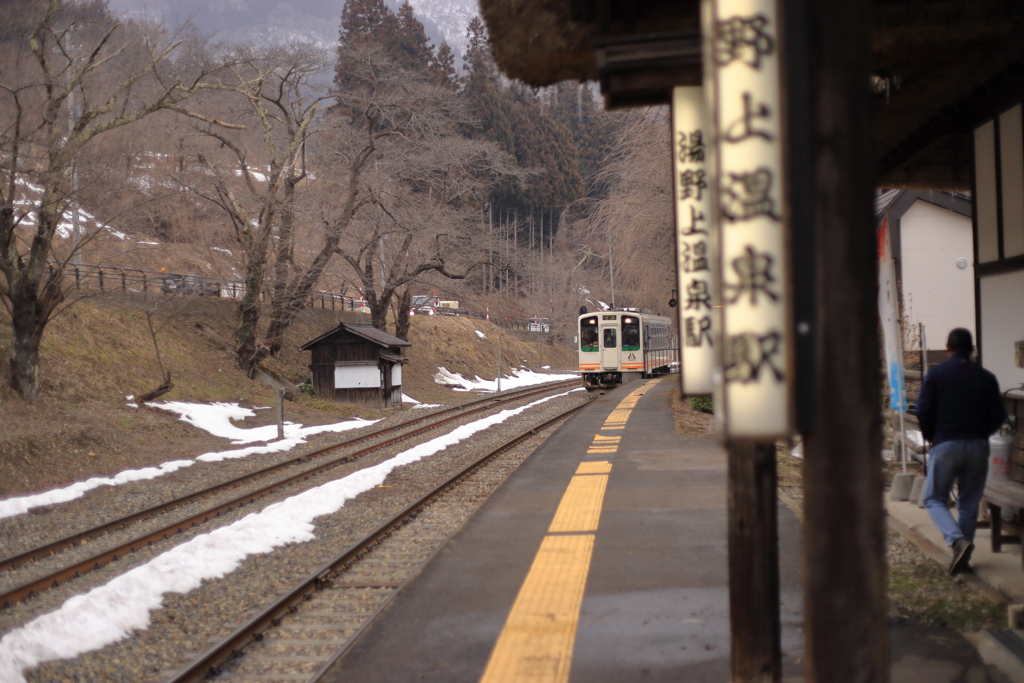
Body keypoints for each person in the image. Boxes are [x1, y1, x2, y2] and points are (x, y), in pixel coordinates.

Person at [916, 328, 1007, 575]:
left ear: (948, 348)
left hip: (946, 444)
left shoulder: (936, 374)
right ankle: (963, 560)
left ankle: (957, 541)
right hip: (978, 446)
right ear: (972, 349)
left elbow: (923, 410)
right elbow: (999, 415)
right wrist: (981, 434)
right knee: (968, 503)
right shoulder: (986, 377)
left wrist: (930, 435)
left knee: (934, 499)